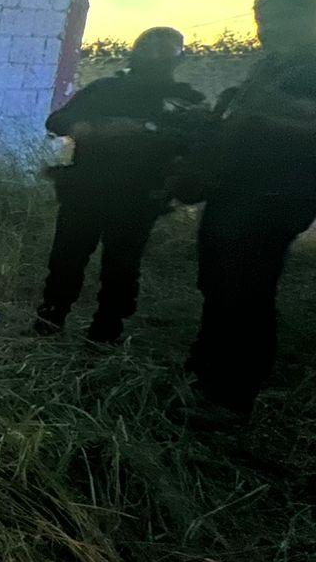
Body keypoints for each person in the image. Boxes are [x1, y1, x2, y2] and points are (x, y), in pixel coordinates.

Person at [176, 0, 316, 424]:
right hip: (234, 191)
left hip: (276, 195)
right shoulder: (273, 66)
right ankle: (201, 372)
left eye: (279, 19)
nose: (266, 30)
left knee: (247, 294)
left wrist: (259, 114)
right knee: (216, 284)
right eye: (261, 21)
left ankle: (230, 400)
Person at [33, 26, 207, 343]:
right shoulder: (104, 89)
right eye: (147, 47)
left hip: (139, 196)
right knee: (66, 260)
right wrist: (88, 127)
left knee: (122, 267)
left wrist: (147, 131)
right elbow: (57, 121)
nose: (153, 55)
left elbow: (196, 145)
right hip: (87, 188)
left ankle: (106, 331)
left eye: (163, 50)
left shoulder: (186, 100)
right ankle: (49, 320)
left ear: (178, 59)